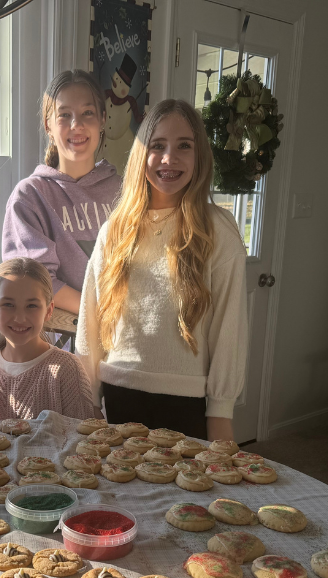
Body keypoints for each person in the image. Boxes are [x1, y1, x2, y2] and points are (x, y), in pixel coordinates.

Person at [76, 99, 248, 441]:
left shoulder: (217, 229)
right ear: (142, 153)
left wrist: (221, 411)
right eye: (158, 146)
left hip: (187, 402)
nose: (170, 158)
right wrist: (89, 399)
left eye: (184, 146)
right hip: (120, 394)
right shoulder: (116, 229)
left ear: (200, 156)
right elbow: (90, 318)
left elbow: (231, 327)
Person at [2, 70, 121, 315]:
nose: (76, 125)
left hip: (124, 342)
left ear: (102, 119)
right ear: (48, 126)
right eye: (64, 115)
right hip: (61, 346)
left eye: (87, 113)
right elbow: (35, 282)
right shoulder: (30, 196)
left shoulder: (124, 190)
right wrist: (105, 315)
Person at [0, 257, 94, 422]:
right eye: (8, 305)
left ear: (48, 310)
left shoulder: (67, 368)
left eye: (32, 306)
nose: (20, 318)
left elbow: (83, 439)